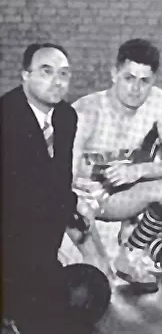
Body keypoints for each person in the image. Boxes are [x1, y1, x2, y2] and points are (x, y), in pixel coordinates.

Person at [70, 39, 162, 294]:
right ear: (114, 74)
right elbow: (62, 177)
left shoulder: (156, 101)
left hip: (128, 194)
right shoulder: (87, 112)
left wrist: (138, 171)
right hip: (86, 203)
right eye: (129, 78)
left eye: (144, 81)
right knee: (101, 286)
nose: (136, 89)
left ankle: (131, 250)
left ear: (153, 81)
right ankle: (98, 260)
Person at [2, 43, 110, 334]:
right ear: (25, 75)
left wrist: (74, 204)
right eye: (46, 72)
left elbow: (58, 179)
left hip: (38, 242)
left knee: (93, 291)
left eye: (64, 74)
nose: (57, 81)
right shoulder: (6, 116)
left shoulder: (65, 117)